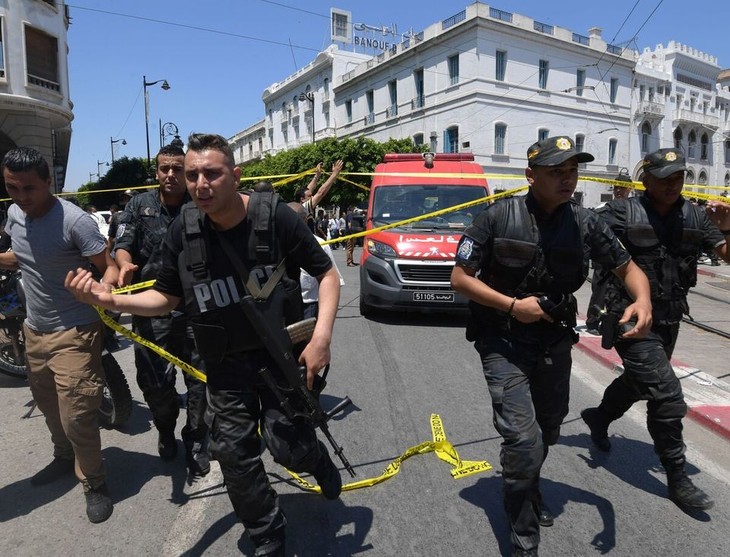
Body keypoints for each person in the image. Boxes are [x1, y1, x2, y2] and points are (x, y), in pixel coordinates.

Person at [66, 133, 343, 556]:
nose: (200, 183)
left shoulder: (275, 218)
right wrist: (106, 299)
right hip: (226, 365)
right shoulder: (184, 229)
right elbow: (165, 298)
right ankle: (267, 532)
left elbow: (325, 275)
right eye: (193, 175)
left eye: (211, 173)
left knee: (289, 447)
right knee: (232, 454)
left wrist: (321, 336)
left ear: (236, 175)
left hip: (280, 356)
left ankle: (316, 460)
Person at [450, 136, 652, 557]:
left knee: (548, 432)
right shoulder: (496, 217)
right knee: (523, 441)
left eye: (572, 171)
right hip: (503, 340)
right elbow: (460, 278)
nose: (568, 179)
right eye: (556, 172)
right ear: (531, 175)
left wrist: (643, 298)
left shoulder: (586, 223)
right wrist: (511, 305)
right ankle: (523, 532)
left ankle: (529, 483)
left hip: (554, 341)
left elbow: (627, 267)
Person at [581, 148, 730, 513]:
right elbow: (581, 235)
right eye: (664, 177)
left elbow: (726, 253)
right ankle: (677, 477)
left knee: (641, 381)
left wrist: (727, 226)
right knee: (667, 395)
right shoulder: (620, 212)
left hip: (669, 318)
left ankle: (599, 417)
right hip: (627, 316)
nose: (672, 184)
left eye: (678, 176)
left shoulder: (695, 216)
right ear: (645, 179)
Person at [0, 147, 119, 523]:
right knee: (49, 406)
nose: (21, 197)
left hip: (76, 330)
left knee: (78, 416)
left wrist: (104, 291)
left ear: (49, 183)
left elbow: (109, 266)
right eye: (12, 188)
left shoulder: (75, 221)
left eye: (28, 188)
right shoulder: (14, 214)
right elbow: (21, 256)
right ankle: (64, 456)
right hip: (34, 329)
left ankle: (94, 482)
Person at [113, 143, 209, 476]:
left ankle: (196, 439)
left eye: (177, 169)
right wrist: (124, 266)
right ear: (156, 172)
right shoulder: (139, 206)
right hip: (152, 311)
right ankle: (166, 429)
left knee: (200, 382)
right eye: (164, 168)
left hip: (197, 310)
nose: (170, 174)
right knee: (155, 384)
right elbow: (122, 247)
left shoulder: (200, 204)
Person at [585, 172, 636, 332]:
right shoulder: (604, 208)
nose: (619, 191)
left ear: (630, 189)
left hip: (626, 258)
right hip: (605, 257)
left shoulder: (635, 210)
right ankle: (593, 321)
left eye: (623, 188)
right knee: (600, 289)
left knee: (623, 292)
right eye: (616, 187)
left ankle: (615, 322)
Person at [288, 202, 345, 319]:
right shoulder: (277, 243)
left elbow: (333, 280)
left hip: (309, 304)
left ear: (303, 221)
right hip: (286, 304)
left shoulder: (319, 244)